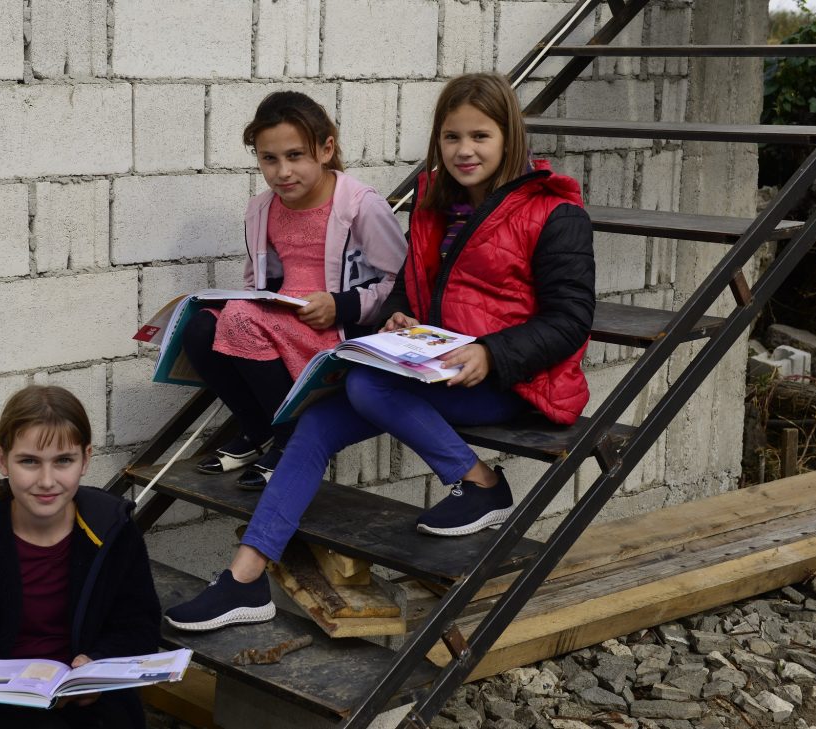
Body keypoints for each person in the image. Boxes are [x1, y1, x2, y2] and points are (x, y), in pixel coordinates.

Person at [164, 72, 595, 631]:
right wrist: (400, 312)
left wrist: (491, 353)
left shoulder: (554, 212)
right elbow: (413, 285)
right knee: (316, 422)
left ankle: (480, 483)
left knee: (368, 385)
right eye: (451, 138)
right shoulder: (437, 208)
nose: (464, 151)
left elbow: (570, 320)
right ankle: (243, 581)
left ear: (509, 137)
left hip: (514, 379)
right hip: (440, 365)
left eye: (480, 137)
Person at [186, 90, 406, 490]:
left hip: (337, 327)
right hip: (283, 317)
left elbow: (399, 282)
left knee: (237, 319)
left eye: (295, 156)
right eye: (269, 159)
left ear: (325, 149)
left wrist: (339, 305)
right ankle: (257, 430)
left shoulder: (360, 205)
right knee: (199, 327)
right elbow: (258, 281)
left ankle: (292, 442)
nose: (282, 171)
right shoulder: (261, 208)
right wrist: (252, 302)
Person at [0, 385, 161, 729]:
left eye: (63, 460)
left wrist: (97, 662)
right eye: (29, 461)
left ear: (86, 459)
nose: (47, 481)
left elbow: (138, 627)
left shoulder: (113, 534)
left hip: (86, 705)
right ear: (3, 460)